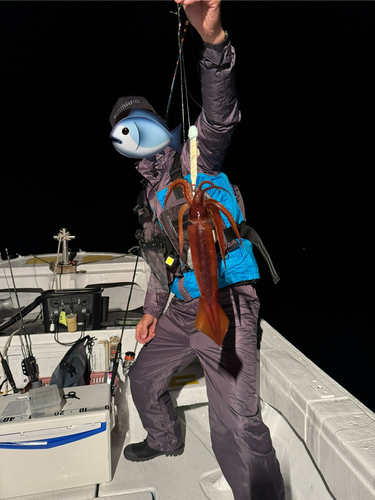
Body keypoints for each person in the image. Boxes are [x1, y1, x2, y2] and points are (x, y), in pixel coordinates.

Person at [109, 1, 285, 499]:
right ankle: (165, 440)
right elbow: (160, 265)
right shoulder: (149, 197)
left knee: (234, 421)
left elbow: (220, 116)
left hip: (225, 300)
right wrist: (150, 313)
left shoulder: (194, 157)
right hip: (184, 308)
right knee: (142, 379)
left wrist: (214, 46)